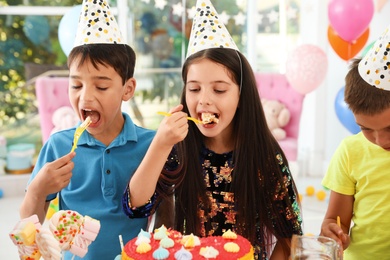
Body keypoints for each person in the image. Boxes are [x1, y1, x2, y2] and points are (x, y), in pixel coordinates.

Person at [122, 1, 302, 259]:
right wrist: (160, 144)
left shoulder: (264, 155)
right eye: (194, 89)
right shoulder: (177, 147)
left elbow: (289, 238)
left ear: (242, 95)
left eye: (219, 89)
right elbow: (135, 205)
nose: (204, 100)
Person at [19, 0, 155, 259]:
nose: (86, 98)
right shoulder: (58, 146)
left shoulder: (151, 145)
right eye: (76, 85)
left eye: (101, 87)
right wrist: (38, 189)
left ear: (128, 89)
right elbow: (30, 227)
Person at [320, 26, 390, 259]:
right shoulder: (350, 151)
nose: (381, 140)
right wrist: (332, 231)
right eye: (366, 128)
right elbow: (335, 220)